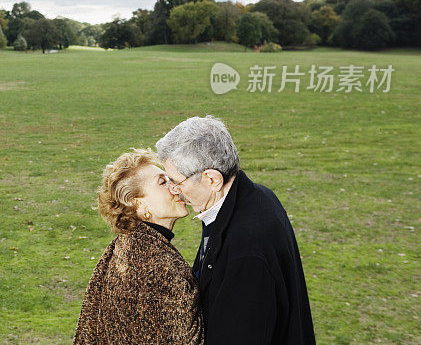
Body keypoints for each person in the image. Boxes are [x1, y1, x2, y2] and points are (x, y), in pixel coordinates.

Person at [156, 115, 315, 344]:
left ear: (212, 179)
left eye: (176, 182)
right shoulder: (253, 196)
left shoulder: (247, 251)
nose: (173, 191)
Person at [74, 148, 204, 344]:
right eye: (163, 182)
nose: (176, 188)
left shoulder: (124, 246)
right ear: (139, 205)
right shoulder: (161, 267)